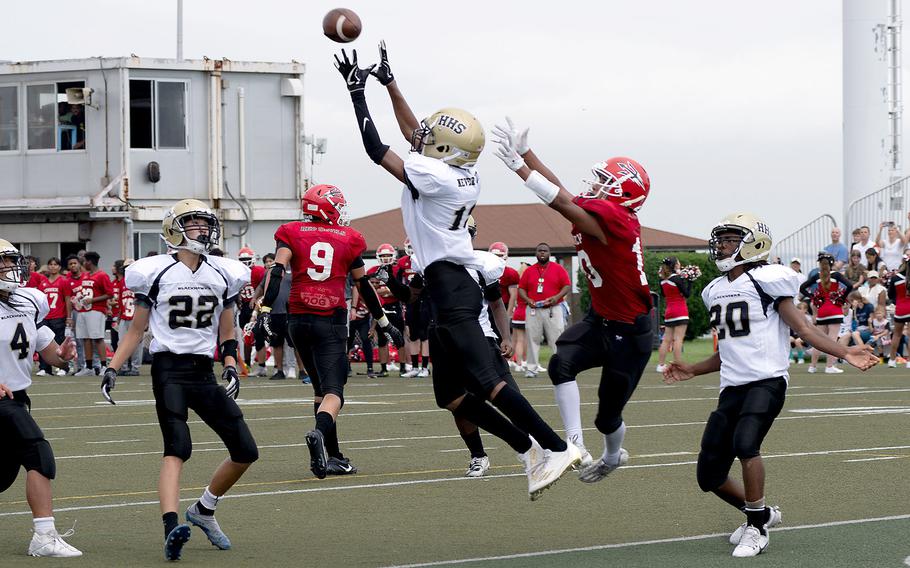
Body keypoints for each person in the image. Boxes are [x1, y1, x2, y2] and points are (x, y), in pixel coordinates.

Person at [336, 42, 581, 498]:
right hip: (442, 284)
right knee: (450, 395)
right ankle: (527, 447)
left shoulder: (438, 176)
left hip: (452, 285)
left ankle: (556, 446)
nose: (423, 138)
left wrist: (357, 95)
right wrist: (390, 83)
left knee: (486, 383)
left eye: (432, 139)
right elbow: (416, 135)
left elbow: (379, 150)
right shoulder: (456, 168)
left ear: (444, 149)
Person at [663, 213, 878, 558]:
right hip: (732, 386)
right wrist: (692, 368)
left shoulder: (768, 281)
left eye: (731, 239)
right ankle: (761, 512)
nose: (722, 245)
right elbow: (728, 351)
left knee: (746, 444)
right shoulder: (714, 290)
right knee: (709, 475)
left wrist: (845, 352)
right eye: (722, 239)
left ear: (753, 243)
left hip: (767, 381)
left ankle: (757, 527)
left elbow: (805, 331)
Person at [493, 115, 654, 480]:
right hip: (603, 319)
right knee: (559, 364)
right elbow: (563, 192)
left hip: (631, 332)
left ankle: (613, 456)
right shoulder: (604, 215)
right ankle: (575, 444)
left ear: (623, 193)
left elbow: (560, 200)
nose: (596, 184)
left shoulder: (620, 219)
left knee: (608, 417)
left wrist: (520, 168)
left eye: (605, 181)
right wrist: (528, 153)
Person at [101, 199, 258, 561]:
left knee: (246, 450)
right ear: (175, 229)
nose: (203, 231)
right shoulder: (155, 272)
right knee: (177, 448)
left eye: (206, 224)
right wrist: (112, 367)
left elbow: (228, 329)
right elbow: (136, 330)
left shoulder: (223, 273)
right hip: (168, 368)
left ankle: (203, 509)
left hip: (204, 371)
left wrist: (231, 363)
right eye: (195, 224)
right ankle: (172, 526)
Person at [259, 184, 402, 479]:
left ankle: (334, 456)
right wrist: (385, 323)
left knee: (319, 390)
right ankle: (320, 436)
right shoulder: (349, 239)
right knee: (335, 392)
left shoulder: (291, 232)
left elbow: (277, 270)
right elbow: (363, 285)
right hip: (330, 320)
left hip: (298, 319)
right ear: (328, 207)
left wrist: (265, 307)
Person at [0, 240, 82, 557]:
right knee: (38, 453)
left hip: (18, 397)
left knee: (2, 476)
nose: (11, 268)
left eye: (11, 262)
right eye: (3, 263)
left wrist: (63, 356)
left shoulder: (29, 300)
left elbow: (49, 353)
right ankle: (44, 536)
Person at [517, 243, 571, 378]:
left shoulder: (558, 269)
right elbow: (521, 288)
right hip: (533, 309)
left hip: (554, 309)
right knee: (532, 339)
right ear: (536, 253)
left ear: (549, 253)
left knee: (557, 339)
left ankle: (559, 368)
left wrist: (556, 297)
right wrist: (528, 299)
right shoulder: (529, 271)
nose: (542, 253)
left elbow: (567, 286)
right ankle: (531, 369)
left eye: (545, 251)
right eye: (540, 251)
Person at [800, 252, 852, 374]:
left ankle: (812, 366)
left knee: (819, 340)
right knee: (832, 339)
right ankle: (829, 366)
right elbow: (849, 285)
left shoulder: (816, 276)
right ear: (832, 263)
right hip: (834, 309)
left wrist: (812, 297)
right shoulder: (837, 275)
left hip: (822, 311)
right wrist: (842, 297)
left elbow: (802, 288)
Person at [367, 243, 405, 377]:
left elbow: (402, 290)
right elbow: (369, 290)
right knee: (382, 339)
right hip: (379, 307)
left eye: (388, 255)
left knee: (400, 338)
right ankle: (384, 368)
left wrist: (388, 291)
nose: (386, 258)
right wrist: (386, 291)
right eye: (383, 256)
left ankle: (403, 367)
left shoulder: (397, 270)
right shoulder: (372, 270)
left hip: (395, 307)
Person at [72, 252, 112, 377]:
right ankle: (88, 367)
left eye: (85, 261)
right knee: (85, 338)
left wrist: (92, 300)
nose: (83, 264)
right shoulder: (85, 275)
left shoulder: (102, 275)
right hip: (84, 310)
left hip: (96, 310)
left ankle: (104, 366)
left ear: (90, 261)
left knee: (97, 338)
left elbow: (109, 293)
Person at [398, 239, 432, 378]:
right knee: (413, 335)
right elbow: (399, 282)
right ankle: (415, 367)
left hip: (425, 300)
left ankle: (424, 367)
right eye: (410, 246)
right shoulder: (402, 262)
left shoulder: (426, 259)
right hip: (411, 302)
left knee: (424, 335)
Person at [34, 257, 69, 376]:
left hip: (59, 315)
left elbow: (67, 299)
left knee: (59, 342)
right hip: (45, 317)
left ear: (59, 267)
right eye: (51, 264)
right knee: (44, 342)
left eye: (55, 264)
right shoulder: (43, 282)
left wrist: (69, 317)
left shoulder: (63, 280)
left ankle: (63, 367)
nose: (53, 267)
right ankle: (45, 368)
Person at [656, 257, 690, 373]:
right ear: (675, 265)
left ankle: (660, 365)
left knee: (666, 340)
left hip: (669, 312)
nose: (680, 264)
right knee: (678, 339)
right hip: (680, 311)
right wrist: (689, 281)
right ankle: (677, 364)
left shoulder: (662, 281)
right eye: (678, 262)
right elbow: (687, 294)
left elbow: (664, 295)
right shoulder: (677, 279)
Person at [113, 258, 142, 376]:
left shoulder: (140, 282)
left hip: (136, 316)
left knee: (137, 344)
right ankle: (123, 366)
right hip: (125, 316)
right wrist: (118, 317)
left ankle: (135, 367)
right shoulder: (122, 282)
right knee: (122, 343)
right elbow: (120, 302)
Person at [886, 259, 910, 368]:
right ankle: (909, 362)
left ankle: (892, 360)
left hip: (900, 309)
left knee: (896, 334)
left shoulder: (895, 278)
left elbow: (890, 295)